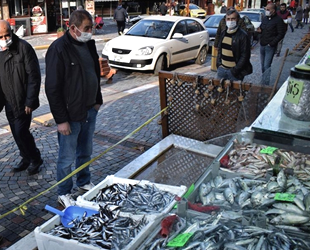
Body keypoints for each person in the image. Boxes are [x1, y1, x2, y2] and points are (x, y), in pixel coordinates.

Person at [45, 10, 103, 207]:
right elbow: (52, 88)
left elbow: (94, 72)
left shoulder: (89, 44)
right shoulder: (58, 49)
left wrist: (97, 100)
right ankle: (63, 192)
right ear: (73, 28)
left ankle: (84, 182)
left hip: (89, 110)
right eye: (87, 28)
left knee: (85, 152)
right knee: (66, 158)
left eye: (91, 27)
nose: (90, 32)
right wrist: (61, 120)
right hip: (70, 115)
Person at [0, 20, 43, 175]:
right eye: (1, 36)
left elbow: (34, 76)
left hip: (23, 102)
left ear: (11, 32)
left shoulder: (24, 48)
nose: (4, 39)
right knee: (16, 133)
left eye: (7, 35)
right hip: (8, 102)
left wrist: (30, 101)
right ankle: (25, 157)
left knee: (21, 132)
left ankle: (35, 158)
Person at [216, 9, 253, 81]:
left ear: (237, 20)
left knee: (234, 92)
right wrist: (219, 64)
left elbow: (245, 55)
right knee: (219, 91)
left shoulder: (243, 35)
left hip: (234, 72)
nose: (230, 21)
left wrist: (235, 70)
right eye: (228, 19)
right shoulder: (224, 32)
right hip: (222, 70)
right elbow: (220, 50)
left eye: (233, 19)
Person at [257, 3, 285, 85]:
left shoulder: (278, 20)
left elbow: (281, 34)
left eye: (268, 9)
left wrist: (272, 43)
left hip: (270, 46)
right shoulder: (265, 18)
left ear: (273, 10)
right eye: (266, 9)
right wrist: (259, 31)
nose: (266, 11)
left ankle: (265, 83)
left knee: (267, 65)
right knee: (262, 65)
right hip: (262, 44)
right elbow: (262, 28)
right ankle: (263, 80)